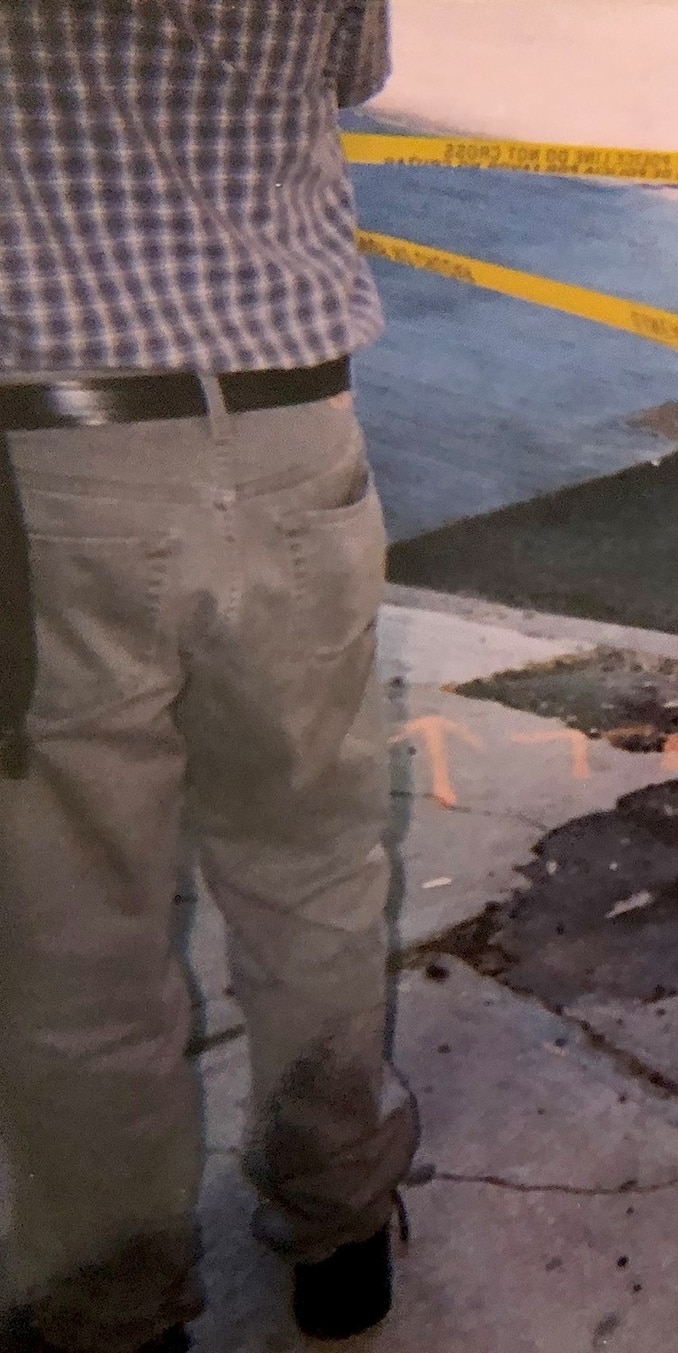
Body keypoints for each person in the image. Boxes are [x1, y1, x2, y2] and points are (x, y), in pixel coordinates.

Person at [0, 5, 418, 1351]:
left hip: (53, 465)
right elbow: (349, 72)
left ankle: (114, 1301)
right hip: (297, 430)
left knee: (78, 931)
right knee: (313, 864)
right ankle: (341, 1223)